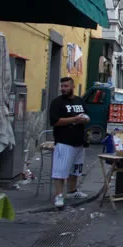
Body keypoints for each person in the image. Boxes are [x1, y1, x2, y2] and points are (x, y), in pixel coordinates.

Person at [49, 77, 90, 209]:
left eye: (66, 86)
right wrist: (75, 119)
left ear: (72, 86)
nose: (63, 88)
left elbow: (86, 114)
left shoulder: (79, 100)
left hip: (79, 141)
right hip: (64, 142)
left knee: (76, 169)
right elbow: (55, 121)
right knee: (60, 171)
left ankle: (73, 191)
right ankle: (59, 196)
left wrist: (85, 119)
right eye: (62, 86)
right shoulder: (57, 103)